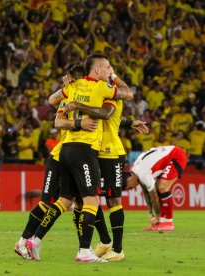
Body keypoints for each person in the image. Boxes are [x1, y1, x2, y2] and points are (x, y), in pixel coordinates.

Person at [26, 54, 133, 263]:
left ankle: (35, 239)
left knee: (65, 199)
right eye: (107, 67)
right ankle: (85, 251)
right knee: (92, 200)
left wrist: (70, 94)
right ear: (98, 70)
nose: (109, 71)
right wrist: (115, 78)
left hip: (65, 148)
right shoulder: (102, 88)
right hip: (85, 150)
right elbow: (127, 95)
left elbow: (52, 100)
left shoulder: (73, 86)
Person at [13, 65, 99, 260]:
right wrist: (79, 123)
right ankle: (24, 241)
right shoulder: (68, 99)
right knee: (47, 202)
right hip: (61, 156)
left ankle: (84, 248)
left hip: (70, 155)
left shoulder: (83, 96)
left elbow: (52, 100)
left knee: (73, 201)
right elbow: (57, 122)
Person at [62, 79, 148, 261]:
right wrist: (131, 122)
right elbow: (117, 118)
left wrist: (79, 105)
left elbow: (107, 114)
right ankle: (106, 241)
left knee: (113, 198)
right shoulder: (95, 93)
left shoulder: (111, 94)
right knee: (89, 196)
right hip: (94, 151)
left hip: (111, 152)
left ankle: (118, 249)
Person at [125, 145, 188, 231]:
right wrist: (151, 213)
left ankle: (169, 222)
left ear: (129, 180)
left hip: (176, 155)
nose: (132, 189)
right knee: (158, 187)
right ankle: (161, 223)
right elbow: (146, 192)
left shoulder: (142, 173)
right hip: (169, 157)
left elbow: (153, 195)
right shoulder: (135, 170)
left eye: (129, 188)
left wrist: (156, 215)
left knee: (162, 187)